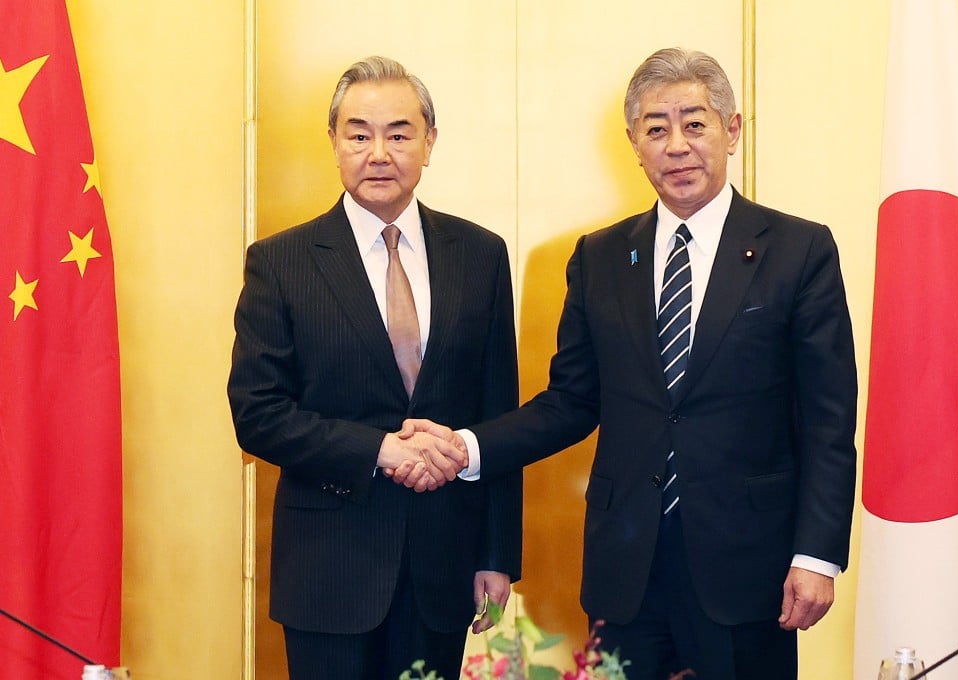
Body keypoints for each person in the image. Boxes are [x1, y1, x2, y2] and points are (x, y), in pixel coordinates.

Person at [398, 47, 857, 679]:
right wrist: (466, 446)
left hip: (749, 571)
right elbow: (570, 402)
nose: (677, 145)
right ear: (634, 144)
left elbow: (829, 420)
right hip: (626, 573)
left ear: (733, 130)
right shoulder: (601, 258)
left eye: (694, 123)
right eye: (655, 127)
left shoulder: (799, 250)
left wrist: (818, 555)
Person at [227, 56, 522, 680]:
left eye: (399, 133)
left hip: (442, 564)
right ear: (334, 142)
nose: (379, 153)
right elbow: (258, 416)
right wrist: (382, 450)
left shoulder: (480, 254)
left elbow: (499, 412)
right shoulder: (281, 262)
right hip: (328, 570)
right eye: (359, 134)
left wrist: (496, 554)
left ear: (429, 142)